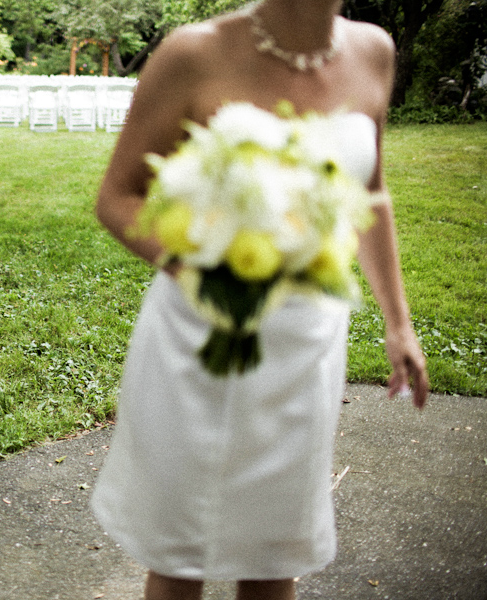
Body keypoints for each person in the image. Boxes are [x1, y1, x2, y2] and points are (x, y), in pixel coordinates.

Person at [89, 1, 429, 599]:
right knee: (179, 553)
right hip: (198, 336)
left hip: (305, 345)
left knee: (274, 555)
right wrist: (203, 264)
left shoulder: (374, 50)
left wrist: (399, 324)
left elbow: (370, 195)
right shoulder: (194, 52)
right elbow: (118, 196)